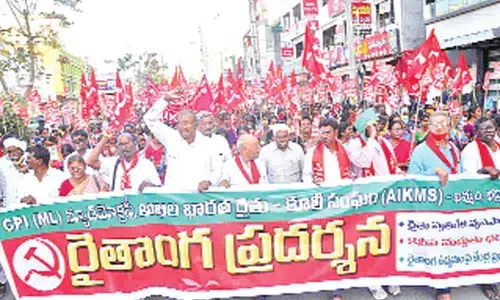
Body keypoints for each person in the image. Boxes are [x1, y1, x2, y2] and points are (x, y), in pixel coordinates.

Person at [408, 111, 460, 300]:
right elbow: (412, 178)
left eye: (443, 123)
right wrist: (433, 171)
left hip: (450, 202)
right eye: (435, 123)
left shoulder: (453, 148)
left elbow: (460, 174)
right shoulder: (420, 150)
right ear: (429, 127)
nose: (439, 126)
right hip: (429, 205)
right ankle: (442, 288)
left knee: (448, 243)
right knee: (437, 244)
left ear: (449, 127)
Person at [460, 116, 500, 300]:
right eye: (484, 129)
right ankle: (486, 280)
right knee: (486, 241)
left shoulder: (498, 145)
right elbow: (467, 179)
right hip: (483, 203)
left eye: (491, 127)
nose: (489, 131)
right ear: (477, 132)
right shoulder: (470, 150)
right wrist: (484, 170)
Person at [144, 96, 212, 192]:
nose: (184, 127)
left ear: (196, 125)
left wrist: (210, 181)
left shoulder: (207, 143)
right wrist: (165, 100)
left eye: (187, 123)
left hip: (199, 200)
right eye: (181, 123)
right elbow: (149, 119)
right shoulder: (171, 137)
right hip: (173, 199)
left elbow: (216, 169)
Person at [87, 132, 161, 193]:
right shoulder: (113, 163)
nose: (124, 147)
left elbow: (157, 187)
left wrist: (149, 186)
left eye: (127, 143)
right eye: (121, 144)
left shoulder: (146, 165)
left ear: (135, 144)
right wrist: (105, 138)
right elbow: (91, 161)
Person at [303, 119, 351, 184]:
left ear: (336, 132)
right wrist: (312, 183)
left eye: (327, 133)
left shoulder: (346, 150)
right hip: (322, 191)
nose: (324, 136)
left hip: (343, 190)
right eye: (322, 133)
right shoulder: (311, 152)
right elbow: (306, 175)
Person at [197, 111, 232, 186]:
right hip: (199, 187)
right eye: (204, 124)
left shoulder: (221, 140)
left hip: (220, 187)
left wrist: (225, 178)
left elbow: (229, 162)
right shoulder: (193, 142)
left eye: (210, 123)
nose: (208, 127)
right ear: (197, 125)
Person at [0, 137, 28, 207]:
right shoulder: (2, 164)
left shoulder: (29, 160)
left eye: (15, 150)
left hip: (28, 205)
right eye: (9, 152)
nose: (13, 153)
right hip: (9, 205)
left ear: (20, 149)